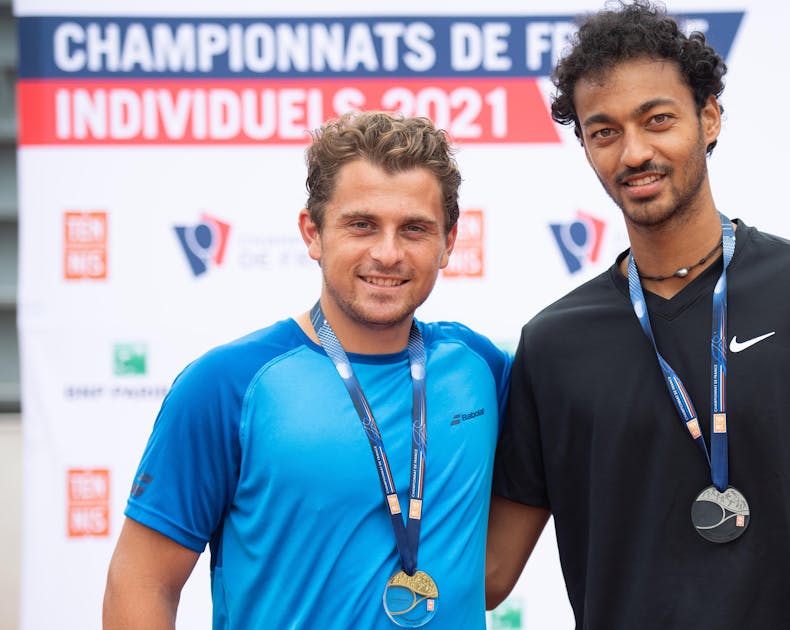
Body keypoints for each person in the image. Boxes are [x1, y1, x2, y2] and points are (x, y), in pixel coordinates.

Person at [485, 2, 790, 628]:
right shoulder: (554, 343)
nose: (634, 152)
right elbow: (490, 574)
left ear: (709, 118)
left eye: (658, 120)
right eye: (605, 131)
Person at [103, 111, 511, 629]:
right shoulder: (228, 385)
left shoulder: (481, 368)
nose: (387, 253)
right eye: (361, 225)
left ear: (449, 242)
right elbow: (141, 580)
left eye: (414, 229)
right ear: (312, 233)